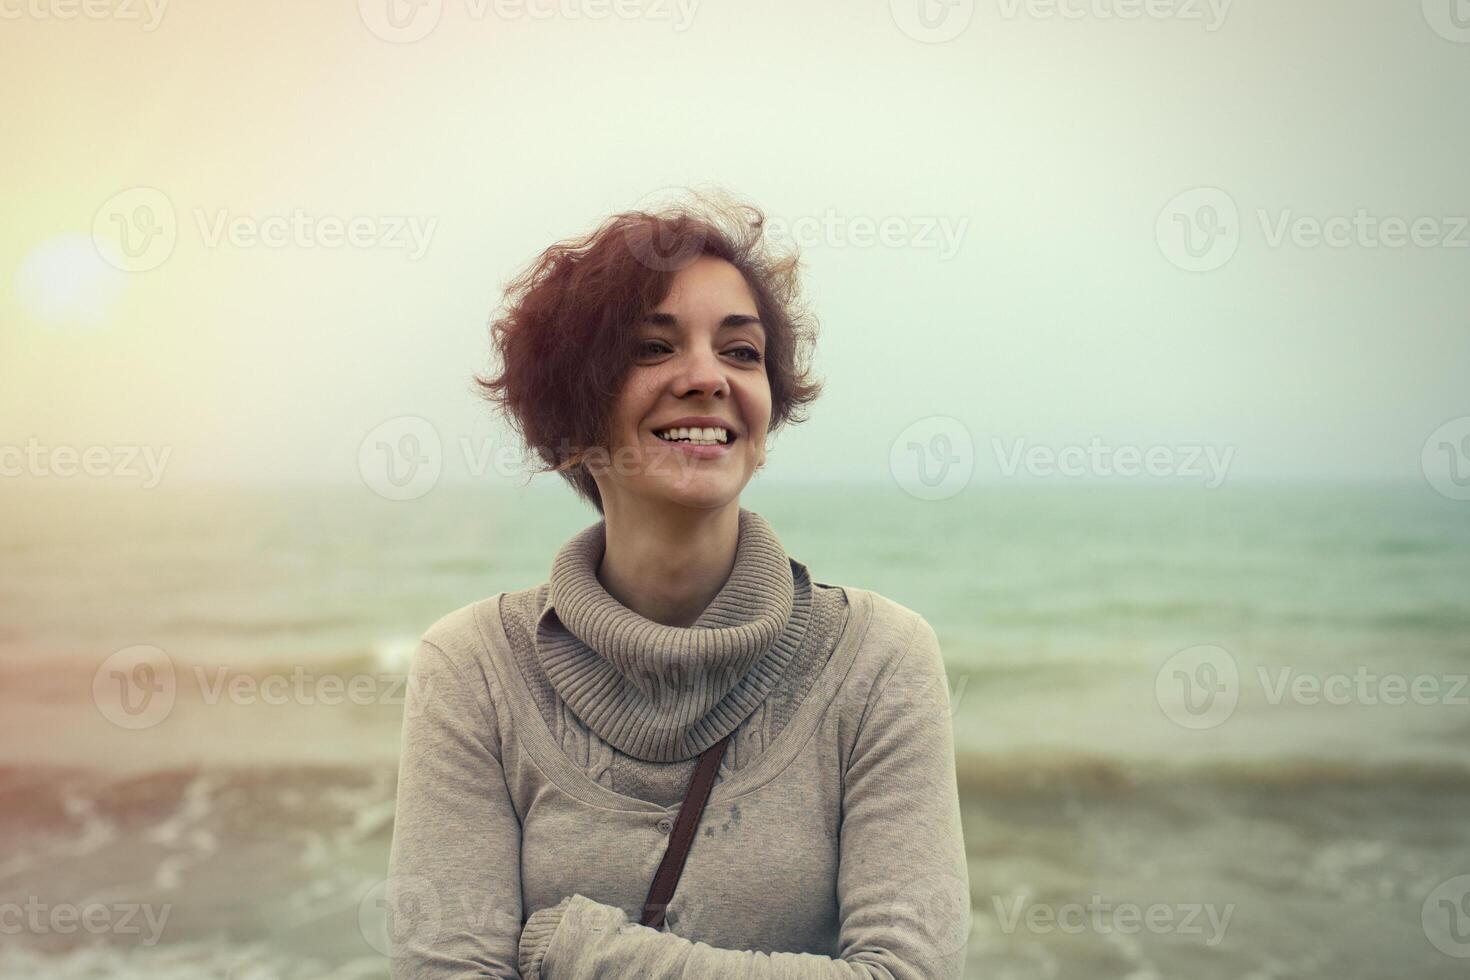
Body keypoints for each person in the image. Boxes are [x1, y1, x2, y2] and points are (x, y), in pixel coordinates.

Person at [386, 191, 971, 978]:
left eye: (740, 352)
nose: (706, 378)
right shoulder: (474, 669)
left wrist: (580, 952)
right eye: (653, 349)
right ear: (571, 415)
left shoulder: (879, 659)